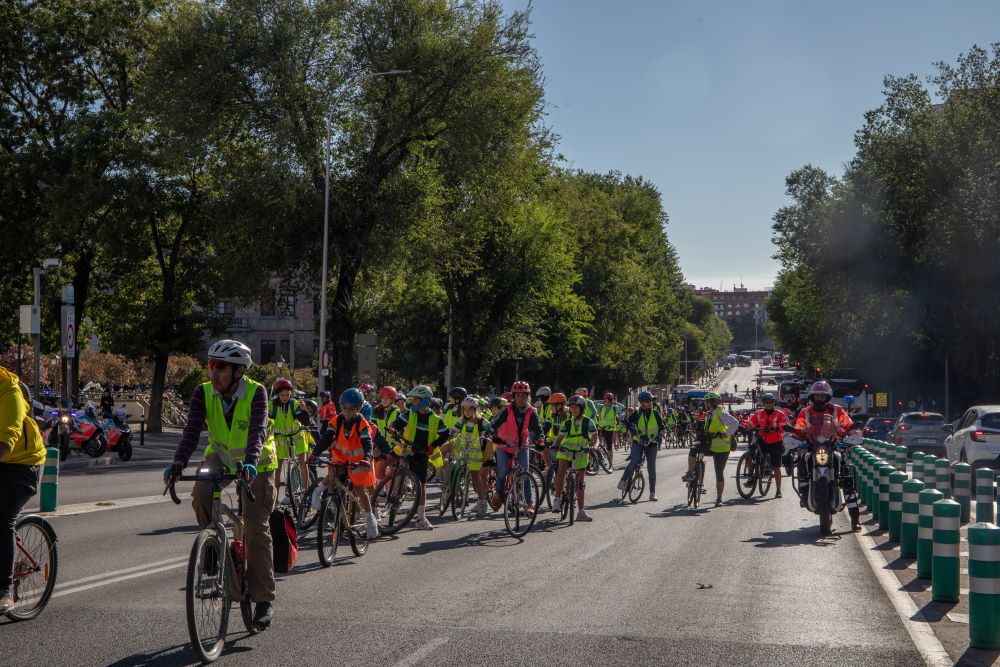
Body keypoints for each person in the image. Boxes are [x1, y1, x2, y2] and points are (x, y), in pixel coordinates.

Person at [165, 339, 278, 629]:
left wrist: (251, 461)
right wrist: (178, 463)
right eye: (210, 365)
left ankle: (263, 599)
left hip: (258, 463)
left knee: (255, 527)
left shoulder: (256, 392)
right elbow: (191, 432)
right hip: (221, 456)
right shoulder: (203, 392)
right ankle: (214, 546)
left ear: (238, 371)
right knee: (201, 491)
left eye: (221, 367)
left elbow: (258, 431)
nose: (213, 372)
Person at [0, 370, 46, 613]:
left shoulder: (8, 390)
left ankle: (3, 589)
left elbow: (7, 436)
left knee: (2, 520)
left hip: (22, 463)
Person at [310, 388, 379, 539]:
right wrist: (315, 453)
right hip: (340, 457)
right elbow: (326, 438)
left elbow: (367, 443)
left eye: (351, 409)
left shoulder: (362, 422)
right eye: (344, 408)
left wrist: (367, 458)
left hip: (359, 460)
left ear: (359, 408)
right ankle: (316, 493)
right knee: (333, 477)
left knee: (359, 488)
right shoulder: (336, 420)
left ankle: (370, 519)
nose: (347, 412)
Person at [791, 381, 861, 530]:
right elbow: (799, 427)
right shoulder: (805, 412)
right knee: (803, 461)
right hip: (812, 446)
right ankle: (804, 495)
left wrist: (853, 434)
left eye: (823, 396)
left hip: (832, 446)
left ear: (828, 397)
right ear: (812, 396)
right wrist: (793, 437)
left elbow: (848, 424)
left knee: (845, 474)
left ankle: (855, 519)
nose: (820, 398)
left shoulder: (837, 410)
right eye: (817, 395)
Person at [388, 385, 451, 530]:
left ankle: (421, 518)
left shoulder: (435, 419)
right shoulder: (410, 413)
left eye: (416, 399)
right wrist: (393, 427)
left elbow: (446, 433)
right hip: (405, 448)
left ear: (424, 401)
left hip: (421, 453)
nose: (413, 402)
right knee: (384, 464)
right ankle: (389, 497)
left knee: (422, 485)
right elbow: (397, 423)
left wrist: (433, 446)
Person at [490, 381, 542, 512]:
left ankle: (529, 504)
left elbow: (538, 429)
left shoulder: (531, 411)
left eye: (524, 396)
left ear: (528, 397)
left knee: (525, 473)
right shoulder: (506, 409)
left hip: (522, 446)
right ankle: (498, 494)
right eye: (518, 396)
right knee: (502, 473)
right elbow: (494, 424)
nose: (521, 398)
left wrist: (540, 440)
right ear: (514, 397)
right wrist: (494, 435)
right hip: (504, 446)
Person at [681, 391, 738, 507]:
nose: (705, 404)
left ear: (711, 403)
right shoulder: (709, 415)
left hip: (722, 449)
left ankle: (719, 499)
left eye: (706, 402)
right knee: (694, 449)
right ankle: (691, 472)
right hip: (710, 446)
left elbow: (735, 423)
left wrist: (725, 434)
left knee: (719, 474)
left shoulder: (721, 414)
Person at [441, 396, 492, 515]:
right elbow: (454, 431)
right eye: (465, 409)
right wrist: (449, 433)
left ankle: (482, 503)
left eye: (470, 409)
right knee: (443, 448)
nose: (467, 412)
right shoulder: (461, 420)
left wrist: (488, 436)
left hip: (476, 450)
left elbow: (491, 431)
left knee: (475, 477)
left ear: (475, 409)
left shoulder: (482, 421)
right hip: (462, 444)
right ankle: (441, 471)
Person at [551, 395, 596, 521]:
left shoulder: (588, 422)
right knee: (561, 471)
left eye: (576, 407)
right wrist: (556, 444)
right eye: (571, 407)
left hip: (581, 453)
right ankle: (557, 500)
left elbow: (595, 438)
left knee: (580, 484)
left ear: (582, 408)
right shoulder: (567, 423)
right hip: (566, 451)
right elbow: (559, 438)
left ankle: (581, 512)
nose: (574, 409)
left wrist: (594, 446)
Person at [619, 390, 663, 501]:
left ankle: (652, 493)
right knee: (634, 461)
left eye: (647, 401)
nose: (645, 403)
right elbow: (628, 422)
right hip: (638, 442)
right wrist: (632, 429)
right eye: (642, 401)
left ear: (651, 402)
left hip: (651, 444)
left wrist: (658, 437)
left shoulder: (656, 414)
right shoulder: (637, 413)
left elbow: (661, 427)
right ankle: (623, 480)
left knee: (651, 468)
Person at [270, 378, 308, 504]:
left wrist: (303, 410)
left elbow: (304, 420)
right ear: (278, 395)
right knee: (277, 469)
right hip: (280, 441)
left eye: (288, 395)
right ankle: (275, 499)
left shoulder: (294, 404)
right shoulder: (272, 405)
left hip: (297, 438)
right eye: (282, 395)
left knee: (303, 464)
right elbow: (266, 421)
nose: (285, 397)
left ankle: (306, 493)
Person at [748, 393, 787, 498]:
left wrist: (775, 429)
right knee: (751, 456)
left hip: (776, 442)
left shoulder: (779, 414)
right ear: (763, 403)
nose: (768, 404)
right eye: (766, 402)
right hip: (762, 440)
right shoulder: (759, 413)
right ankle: (751, 477)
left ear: (774, 403)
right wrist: (746, 426)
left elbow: (783, 425)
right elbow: (751, 422)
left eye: (770, 402)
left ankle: (778, 490)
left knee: (776, 467)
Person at [372, 386, 400, 484]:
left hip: (393, 445)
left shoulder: (397, 412)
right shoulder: (376, 411)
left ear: (393, 399)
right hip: (379, 443)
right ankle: (380, 490)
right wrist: (375, 444)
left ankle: (390, 490)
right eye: (382, 398)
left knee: (391, 474)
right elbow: (372, 426)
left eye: (387, 398)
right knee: (377, 469)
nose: (384, 400)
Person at [596, 392, 620, 465]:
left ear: (611, 401)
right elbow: (594, 402)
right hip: (601, 428)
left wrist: (615, 402)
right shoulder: (601, 407)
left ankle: (610, 463)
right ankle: (600, 457)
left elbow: (622, 406)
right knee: (597, 444)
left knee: (609, 447)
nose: (606, 402)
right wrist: (602, 401)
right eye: (605, 401)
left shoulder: (614, 408)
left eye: (608, 401)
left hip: (609, 430)